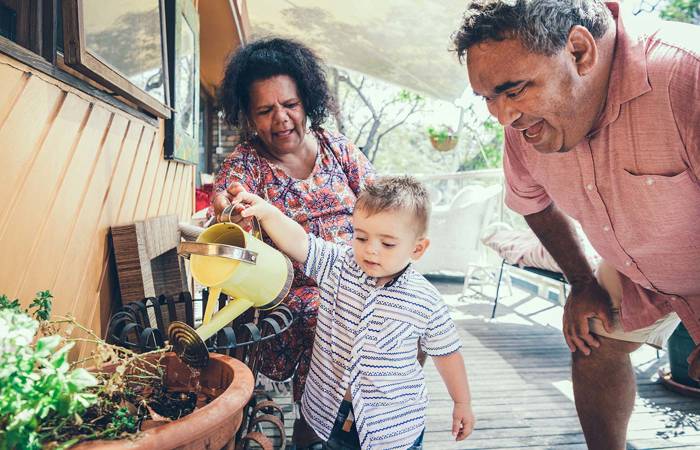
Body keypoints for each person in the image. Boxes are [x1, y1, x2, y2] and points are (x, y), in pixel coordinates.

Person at [452, 1, 700, 448]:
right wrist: (582, 280)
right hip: (635, 268)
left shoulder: (687, 75)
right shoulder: (522, 129)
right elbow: (532, 201)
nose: (502, 117)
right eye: (488, 98)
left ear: (581, 52)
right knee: (593, 344)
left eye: (514, 90)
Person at [228, 176, 475, 449]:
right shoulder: (339, 265)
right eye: (361, 236)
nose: (370, 249)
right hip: (327, 412)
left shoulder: (426, 301)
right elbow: (300, 242)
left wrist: (462, 402)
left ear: (417, 248)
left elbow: (448, 354)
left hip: (392, 427)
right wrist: (267, 212)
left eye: (388, 244)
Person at [211, 37, 375, 447]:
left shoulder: (339, 150)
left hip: (361, 278)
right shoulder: (245, 165)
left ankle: (362, 422)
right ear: (248, 116)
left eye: (290, 105)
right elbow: (226, 208)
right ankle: (325, 427)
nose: (281, 118)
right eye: (265, 110)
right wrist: (227, 208)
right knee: (334, 314)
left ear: (307, 101)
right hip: (293, 297)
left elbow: (383, 207)